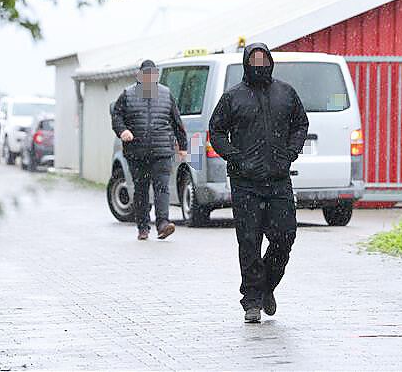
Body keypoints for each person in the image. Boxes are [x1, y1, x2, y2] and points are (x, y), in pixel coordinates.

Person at [209, 43, 309, 323]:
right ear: (246, 62)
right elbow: (215, 131)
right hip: (245, 182)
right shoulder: (233, 97)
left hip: (278, 179)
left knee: (285, 235)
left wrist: (291, 152)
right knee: (249, 241)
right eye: (254, 59)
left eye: (263, 59)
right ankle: (252, 300)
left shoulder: (286, 93)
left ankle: (268, 286)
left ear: (271, 61)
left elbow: (301, 123)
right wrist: (235, 158)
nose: (259, 63)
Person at [110, 59, 188, 241]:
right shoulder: (128, 94)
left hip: (162, 151)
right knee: (141, 189)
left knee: (162, 188)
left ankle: (162, 224)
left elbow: (177, 122)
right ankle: (143, 227)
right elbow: (117, 116)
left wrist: (183, 146)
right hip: (136, 152)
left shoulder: (166, 94)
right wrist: (123, 131)